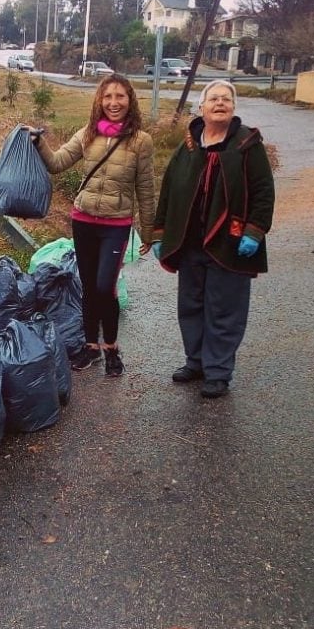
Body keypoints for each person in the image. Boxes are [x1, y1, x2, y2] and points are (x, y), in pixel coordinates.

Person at [152, 79, 275, 398]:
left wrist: (254, 232)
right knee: (191, 305)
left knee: (224, 308)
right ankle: (196, 362)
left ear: (233, 108)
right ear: (202, 108)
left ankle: (218, 372)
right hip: (190, 240)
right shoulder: (189, 144)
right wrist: (160, 233)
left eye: (227, 99)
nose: (220, 103)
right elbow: (169, 188)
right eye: (214, 99)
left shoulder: (248, 144)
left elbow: (263, 192)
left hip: (230, 242)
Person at [27, 73, 155, 377]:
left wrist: (150, 232)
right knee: (88, 286)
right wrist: (37, 142)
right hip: (83, 221)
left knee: (104, 286)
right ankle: (91, 347)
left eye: (120, 96)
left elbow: (146, 190)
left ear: (130, 100)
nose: (113, 102)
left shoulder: (141, 141)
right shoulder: (87, 134)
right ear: (100, 100)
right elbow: (57, 163)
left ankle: (111, 347)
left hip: (116, 224)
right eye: (107, 96)